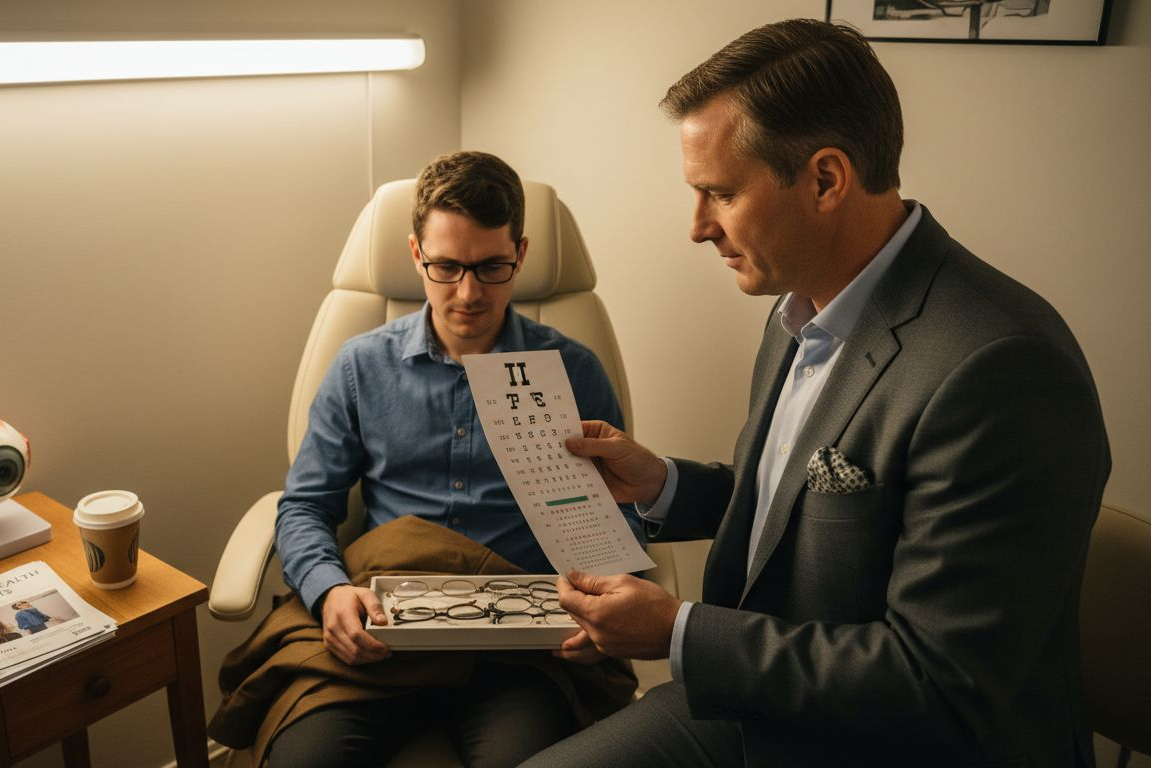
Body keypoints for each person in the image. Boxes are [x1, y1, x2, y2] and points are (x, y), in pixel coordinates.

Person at [523, 18, 1110, 768]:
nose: (697, 227)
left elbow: (940, 681)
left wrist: (676, 632)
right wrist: (665, 484)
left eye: (720, 194)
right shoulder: (798, 304)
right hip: (767, 704)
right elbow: (808, 508)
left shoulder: (1002, 370)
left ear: (826, 179)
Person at [265, 150, 644, 767]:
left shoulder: (574, 372)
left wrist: (610, 605)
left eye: (492, 266)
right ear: (416, 255)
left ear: (520, 254)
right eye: (445, 267)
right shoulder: (361, 368)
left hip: (519, 648)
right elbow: (305, 507)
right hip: (385, 629)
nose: (468, 293)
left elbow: (615, 518)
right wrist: (329, 591)